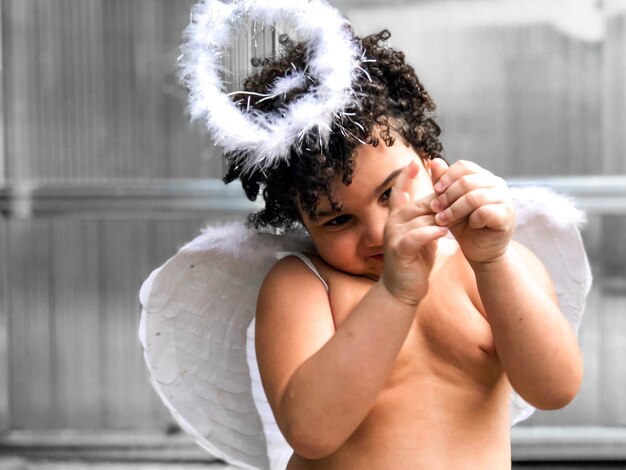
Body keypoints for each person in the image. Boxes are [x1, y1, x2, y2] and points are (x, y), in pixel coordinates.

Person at [140, 1, 589, 468]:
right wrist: (396, 294)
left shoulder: (489, 266)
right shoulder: (307, 285)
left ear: (427, 155)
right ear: (299, 220)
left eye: (390, 191)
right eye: (337, 220)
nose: (378, 232)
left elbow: (554, 389)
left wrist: (494, 261)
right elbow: (312, 433)